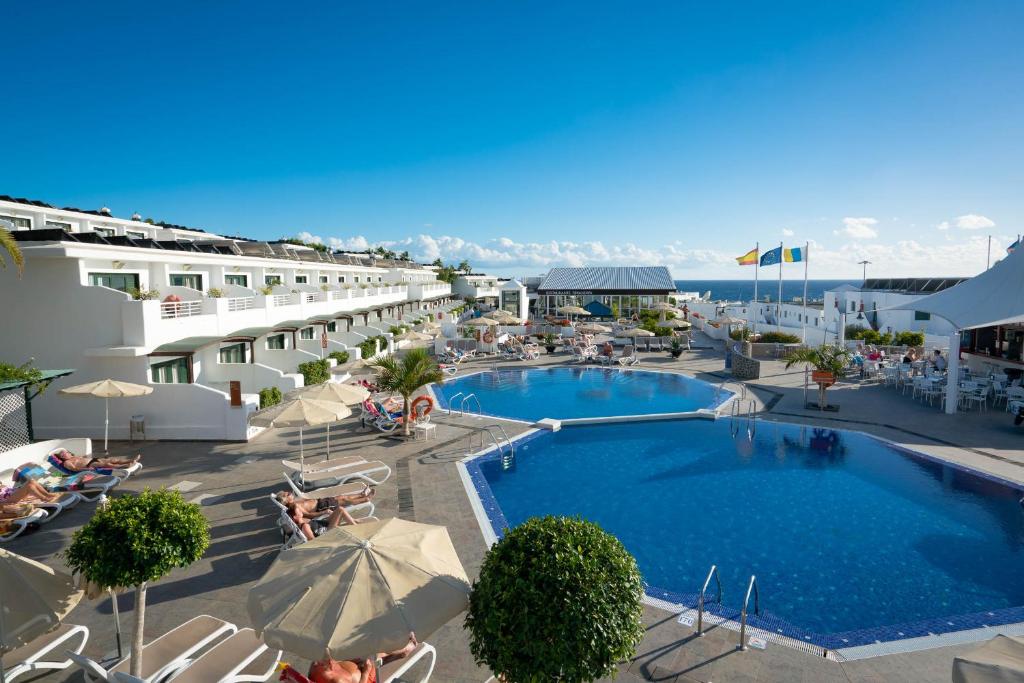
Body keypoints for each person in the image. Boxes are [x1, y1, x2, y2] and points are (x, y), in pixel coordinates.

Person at [307, 633, 419, 683]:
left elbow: (334, 656)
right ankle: (406, 648)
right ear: (329, 666)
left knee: (368, 652)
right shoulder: (338, 681)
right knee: (378, 651)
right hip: (363, 677)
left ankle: (400, 653)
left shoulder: (316, 666)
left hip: (352, 666)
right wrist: (365, 672)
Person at [278, 488, 375, 540]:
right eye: (299, 512)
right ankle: (357, 528)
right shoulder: (304, 526)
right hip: (327, 531)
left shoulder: (301, 520)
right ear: (295, 516)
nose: (301, 513)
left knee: (340, 505)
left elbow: (293, 525)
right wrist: (324, 512)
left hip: (322, 523)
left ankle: (354, 521)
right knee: (341, 508)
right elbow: (314, 542)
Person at [51, 449, 140, 472]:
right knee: (108, 464)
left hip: (92, 460)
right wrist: (86, 470)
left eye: (65, 452)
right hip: (88, 466)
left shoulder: (75, 457)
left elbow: (84, 458)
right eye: (62, 454)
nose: (65, 454)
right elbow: (74, 469)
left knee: (112, 459)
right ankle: (125, 466)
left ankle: (130, 460)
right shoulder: (67, 462)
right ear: (62, 458)